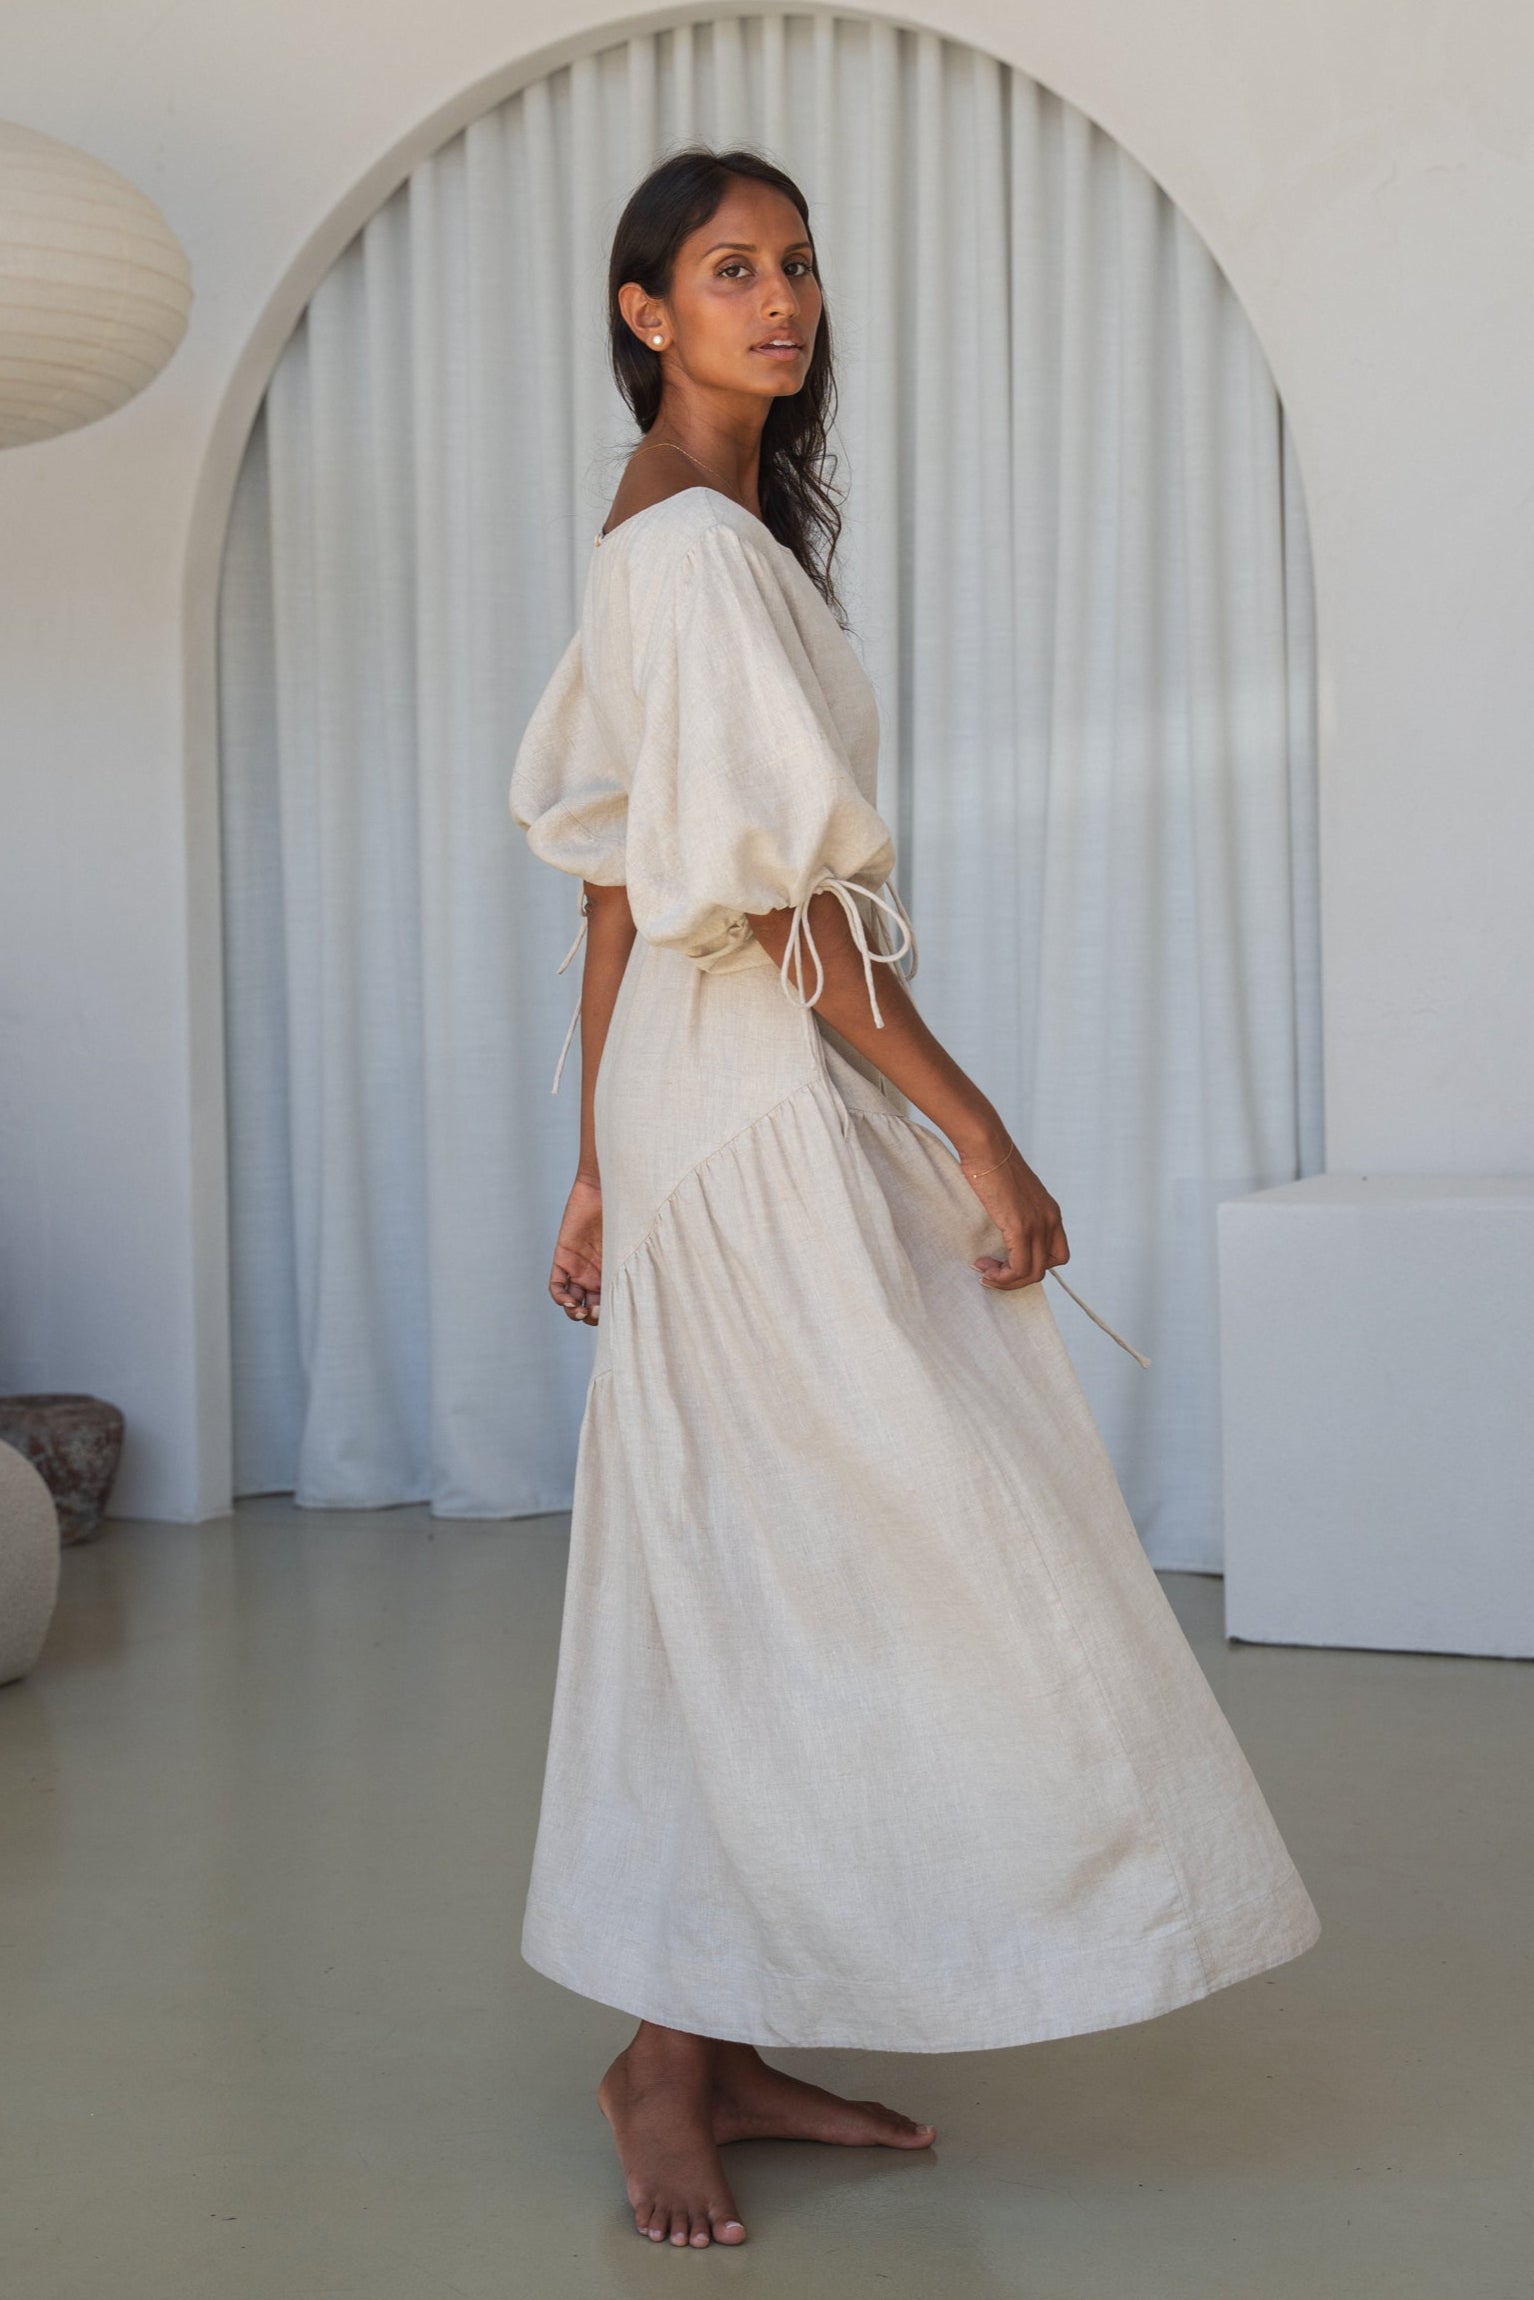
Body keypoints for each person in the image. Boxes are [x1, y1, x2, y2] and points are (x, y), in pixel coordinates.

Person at [509, 146, 1320, 2254]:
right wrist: (977, 1130)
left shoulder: (687, 542)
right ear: (642, 314)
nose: (776, 300)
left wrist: (598, 1152)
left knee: (759, 1548)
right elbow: (757, 906)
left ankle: (710, 2028)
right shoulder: (684, 554)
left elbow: (621, 882)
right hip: (761, 1098)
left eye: (791, 265)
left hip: (705, 1103)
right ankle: (659, 2055)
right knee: (830, 1538)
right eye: (725, 270)